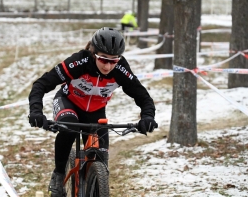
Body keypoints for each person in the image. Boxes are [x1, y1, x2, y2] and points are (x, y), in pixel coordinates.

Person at [28, 27, 158, 197]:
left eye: (114, 60)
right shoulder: (78, 62)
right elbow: (41, 84)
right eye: (103, 59)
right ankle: (59, 175)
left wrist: (148, 117)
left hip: (96, 112)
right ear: (93, 52)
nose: (108, 65)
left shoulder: (120, 70)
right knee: (69, 126)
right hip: (69, 102)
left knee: (101, 160)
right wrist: (36, 111)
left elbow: (143, 97)